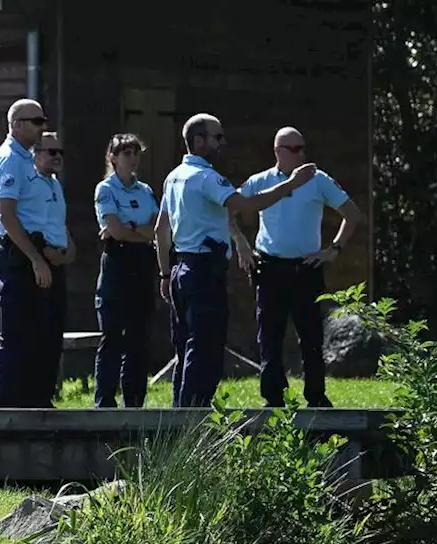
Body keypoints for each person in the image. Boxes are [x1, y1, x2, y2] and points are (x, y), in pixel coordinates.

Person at [154, 113, 318, 407]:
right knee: (205, 348)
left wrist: (165, 274)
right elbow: (246, 205)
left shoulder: (174, 176)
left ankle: (178, 418)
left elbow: (160, 229)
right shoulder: (206, 177)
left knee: (185, 346)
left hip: (181, 269)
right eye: (217, 137)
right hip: (203, 271)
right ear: (199, 140)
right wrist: (291, 185)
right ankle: (193, 420)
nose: (222, 143)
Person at [238, 126, 365, 408]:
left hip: (305, 268)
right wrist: (241, 244)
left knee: (311, 337)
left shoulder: (318, 180)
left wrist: (334, 249)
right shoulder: (260, 182)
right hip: (269, 268)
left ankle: (316, 396)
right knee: (269, 336)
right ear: (277, 152)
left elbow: (353, 214)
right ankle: (273, 398)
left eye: (303, 148)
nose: (301, 154)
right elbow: (228, 207)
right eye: (294, 149)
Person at [0, 100, 73, 408]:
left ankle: (36, 400)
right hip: (19, 253)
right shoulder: (10, 159)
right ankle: (6, 405)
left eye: (43, 120)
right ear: (17, 124)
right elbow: (7, 215)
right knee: (17, 332)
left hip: (37, 251)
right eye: (36, 121)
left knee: (42, 331)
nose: (41, 127)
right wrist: (36, 258)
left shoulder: (27, 162)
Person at [92, 133, 159, 408]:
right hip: (117, 263)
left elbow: (156, 227)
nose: (132, 158)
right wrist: (133, 231)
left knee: (138, 337)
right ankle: (105, 401)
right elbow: (115, 230)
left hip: (142, 263)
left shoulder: (145, 191)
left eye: (136, 153)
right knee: (112, 335)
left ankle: (134, 400)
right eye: (125, 153)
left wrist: (129, 230)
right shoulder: (105, 189)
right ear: (113, 157)